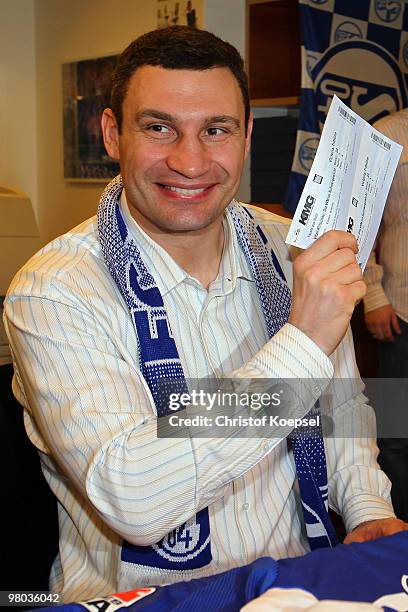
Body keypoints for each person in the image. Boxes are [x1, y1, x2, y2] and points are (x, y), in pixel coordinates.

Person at [3, 26, 407, 603]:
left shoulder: (291, 250)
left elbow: (339, 404)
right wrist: (302, 341)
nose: (189, 162)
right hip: (146, 597)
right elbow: (135, 497)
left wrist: (366, 506)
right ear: (114, 134)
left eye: (215, 130)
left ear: (244, 139)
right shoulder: (53, 292)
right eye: (159, 127)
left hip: (292, 584)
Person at [363, 108, 408, 523]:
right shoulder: (387, 135)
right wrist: (372, 294)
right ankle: (398, 529)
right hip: (400, 311)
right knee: (396, 433)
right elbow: (362, 225)